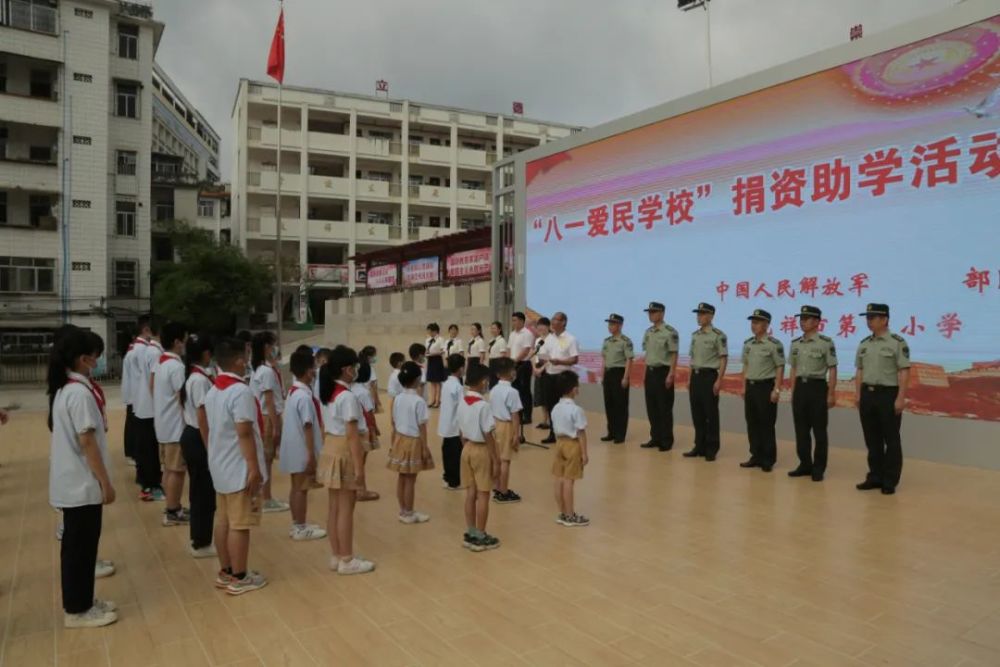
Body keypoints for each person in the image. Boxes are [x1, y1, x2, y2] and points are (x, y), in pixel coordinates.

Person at [48, 328, 118, 628]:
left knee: (82, 548)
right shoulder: (77, 393)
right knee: (79, 551)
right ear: (84, 359)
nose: (98, 363)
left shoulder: (68, 388)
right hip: (81, 484)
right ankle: (76, 610)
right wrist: (105, 481)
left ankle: (84, 600)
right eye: (96, 358)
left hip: (74, 483)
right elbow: (87, 441)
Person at [205, 337, 268, 595]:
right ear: (240, 360)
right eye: (247, 355)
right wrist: (254, 467)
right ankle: (240, 576)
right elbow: (244, 432)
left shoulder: (214, 389)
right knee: (240, 523)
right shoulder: (239, 391)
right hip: (238, 465)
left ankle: (227, 570)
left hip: (220, 464)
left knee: (223, 520)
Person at [317, 346, 375, 575]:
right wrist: (360, 469)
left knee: (334, 507)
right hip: (344, 449)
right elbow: (352, 436)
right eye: (354, 367)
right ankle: (347, 559)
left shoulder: (328, 393)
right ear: (347, 369)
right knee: (345, 509)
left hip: (331, 446)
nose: (356, 371)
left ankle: (337, 554)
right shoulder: (347, 397)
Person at [855, 303, 910, 495]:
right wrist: (858, 395)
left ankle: (890, 480)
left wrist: (901, 397)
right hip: (867, 395)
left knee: (891, 439)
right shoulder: (864, 343)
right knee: (872, 439)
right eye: (867, 317)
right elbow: (859, 370)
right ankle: (875, 476)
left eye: (872, 317)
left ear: (884, 319)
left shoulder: (897, 342)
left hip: (888, 394)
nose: (868, 321)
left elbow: (903, 371)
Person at [280, 349, 328, 541]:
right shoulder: (304, 397)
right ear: (309, 371)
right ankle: (299, 526)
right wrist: (311, 455)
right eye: (314, 368)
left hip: (294, 448)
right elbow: (308, 426)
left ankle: (297, 523)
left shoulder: (295, 392)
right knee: (301, 488)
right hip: (302, 450)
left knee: (296, 487)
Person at [788, 305, 837, 482]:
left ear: (817, 321)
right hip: (800, 388)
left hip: (817, 388)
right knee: (801, 430)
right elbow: (793, 368)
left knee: (819, 431)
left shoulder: (825, 343)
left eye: (807, 319)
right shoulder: (795, 344)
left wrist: (831, 393)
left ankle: (818, 468)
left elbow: (832, 369)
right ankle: (804, 464)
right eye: (801, 318)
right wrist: (793, 392)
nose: (802, 322)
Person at [179, 333, 217, 558]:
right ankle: (201, 542)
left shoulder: (192, 376)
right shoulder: (199, 380)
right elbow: (203, 417)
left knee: (199, 491)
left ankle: (199, 538)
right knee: (203, 493)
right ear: (205, 354)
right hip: (199, 437)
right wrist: (211, 449)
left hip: (191, 435)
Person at [457, 364, 501, 552]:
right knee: (484, 494)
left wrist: (466, 446)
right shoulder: (483, 405)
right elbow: (488, 435)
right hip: (482, 450)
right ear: (483, 381)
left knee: (470, 493)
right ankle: (481, 535)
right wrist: (496, 459)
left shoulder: (462, 401)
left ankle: (471, 531)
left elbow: (460, 430)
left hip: (466, 448)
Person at [739, 310, 785, 473]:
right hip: (750, 387)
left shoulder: (774, 344)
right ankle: (755, 456)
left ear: (766, 325)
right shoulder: (748, 344)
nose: (754, 325)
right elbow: (745, 365)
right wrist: (743, 386)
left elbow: (780, 367)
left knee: (766, 424)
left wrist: (777, 389)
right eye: (752, 322)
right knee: (752, 423)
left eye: (757, 322)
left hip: (766, 388)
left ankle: (768, 459)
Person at [388, 361, 434, 523]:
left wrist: (393, 442)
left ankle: (403, 510)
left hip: (400, 439)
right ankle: (409, 512)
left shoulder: (398, 398)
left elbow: (393, 422)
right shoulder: (419, 401)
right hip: (413, 441)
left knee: (402, 476)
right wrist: (425, 447)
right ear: (417, 379)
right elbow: (422, 427)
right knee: (410, 479)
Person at [154, 322, 190, 526]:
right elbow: (181, 398)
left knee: (169, 469)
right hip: (176, 427)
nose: (185, 344)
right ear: (177, 342)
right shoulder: (176, 367)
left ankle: (171, 505)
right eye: (184, 340)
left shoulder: (161, 363)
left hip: (164, 425)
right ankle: (173, 510)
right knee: (177, 470)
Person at [250, 331, 288, 513]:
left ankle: (264, 496)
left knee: (266, 458)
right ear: (266, 347)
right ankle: (266, 497)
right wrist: (276, 425)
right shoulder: (265, 371)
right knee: (266, 458)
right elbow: (269, 400)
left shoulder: (264, 368)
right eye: (273, 345)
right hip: (267, 417)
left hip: (266, 415)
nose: (276, 348)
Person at [685, 303, 728, 462]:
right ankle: (699, 446)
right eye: (698, 314)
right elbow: (692, 359)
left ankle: (711, 448)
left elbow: (723, 358)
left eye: (702, 314)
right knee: (697, 414)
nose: (699, 317)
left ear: (710, 316)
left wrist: (719, 380)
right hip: (695, 377)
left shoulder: (718, 335)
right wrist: (689, 379)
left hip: (709, 377)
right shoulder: (695, 335)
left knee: (711, 414)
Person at [551, 372, 590, 527]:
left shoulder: (555, 407)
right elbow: (581, 432)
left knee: (559, 478)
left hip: (559, 443)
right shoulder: (576, 410)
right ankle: (570, 514)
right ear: (574, 389)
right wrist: (584, 453)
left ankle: (562, 512)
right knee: (569, 481)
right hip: (572, 445)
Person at [640, 302, 679, 451]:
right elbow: (647, 354)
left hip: (663, 372)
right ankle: (655, 437)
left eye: (654, 312)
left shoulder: (670, 332)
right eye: (649, 312)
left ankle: (666, 441)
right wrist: (645, 374)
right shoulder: (648, 332)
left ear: (662, 313)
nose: (651, 314)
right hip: (650, 373)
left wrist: (671, 373)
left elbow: (674, 354)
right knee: (652, 408)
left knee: (664, 408)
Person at [133, 320, 164, 501]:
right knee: (150, 450)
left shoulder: (148, 350)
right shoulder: (153, 352)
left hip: (145, 406)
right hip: (150, 407)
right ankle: (150, 487)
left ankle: (148, 483)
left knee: (148, 448)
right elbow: (153, 383)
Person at [539, 312, 579, 445]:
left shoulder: (570, 338)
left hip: (563, 377)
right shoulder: (549, 338)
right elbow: (544, 354)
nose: (552, 321)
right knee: (551, 406)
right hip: (549, 375)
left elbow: (574, 359)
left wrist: (560, 362)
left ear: (563, 322)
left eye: (556, 319)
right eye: (552, 319)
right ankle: (553, 433)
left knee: (563, 407)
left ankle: (565, 432)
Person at [489, 357, 523, 503]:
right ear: (511, 372)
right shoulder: (512, 392)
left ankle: (497, 487)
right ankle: (503, 491)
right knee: (505, 460)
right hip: (506, 425)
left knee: (496, 458)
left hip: (494, 424)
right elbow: (515, 415)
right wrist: (516, 434)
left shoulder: (494, 389)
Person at [120, 316, 151, 468]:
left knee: (132, 424)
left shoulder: (134, 348)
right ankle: (134, 453)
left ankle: (131, 452)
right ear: (146, 330)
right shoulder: (142, 350)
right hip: (137, 394)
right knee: (136, 426)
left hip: (134, 393)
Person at [601, 313, 633, 445]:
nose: (610, 326)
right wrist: (603, 375)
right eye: (609, 324)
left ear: (620, 325)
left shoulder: (625, 341)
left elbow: (629, 360)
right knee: (609, 404)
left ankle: (620, 434)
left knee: (620, 405)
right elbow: (604, 359)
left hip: (619, 374)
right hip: (608, 374)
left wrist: (626, 377)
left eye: (613, 324)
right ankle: (611, 432)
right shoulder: (606, 341)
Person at [351, 363, 381, 502]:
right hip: (363, 429)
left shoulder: (350, 388)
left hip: (352, 429)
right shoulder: (363, 392)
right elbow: (369, 413)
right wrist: (373, 428)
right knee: (360, 461)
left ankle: (353, 488)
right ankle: (360, 490)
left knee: (354, 460)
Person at [438, 353, 466, 491]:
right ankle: (454, 481)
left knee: (447, 452)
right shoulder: (457, 387)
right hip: (455, 426)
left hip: (446, 424)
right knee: (455, 455)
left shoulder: (447, 383)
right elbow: (461, 407)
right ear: (461, 368)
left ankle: (447, 477)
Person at [508, 312, 535, 441]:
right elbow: (509, 349)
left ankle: (527, 415)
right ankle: (517, 414)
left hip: (523, 364)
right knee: (515, 390)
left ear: (522, 321)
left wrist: (515, 362)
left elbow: (525, 351)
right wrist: (509, 362)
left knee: (524, 391)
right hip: (513, 364)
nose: (513, 322)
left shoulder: (527, 333)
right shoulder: (512, 334)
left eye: (515, 320)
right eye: (512, 320)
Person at [531, 317, 552, 431]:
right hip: (538, 368)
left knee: (548, 396)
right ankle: (545, 420)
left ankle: (551, 420)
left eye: (542, 326)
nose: (540, 328)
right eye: (538, 326)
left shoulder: (552, 340)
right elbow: (534, 354)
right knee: (541, 396)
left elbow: (551, 357)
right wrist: (534, 367)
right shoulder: (538, 340)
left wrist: (542, 369)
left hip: (548, 369)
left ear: (548, 327)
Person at [425, 323, 446, 408]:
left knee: (437, 382)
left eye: (430, 331)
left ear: (435, 331)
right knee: (432, 382)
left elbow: (442, 351)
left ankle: (438, 401)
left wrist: (433, 353)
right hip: (430, 360)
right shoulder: (428, 339)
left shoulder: (440, 339)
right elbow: (426, 350)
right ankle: (432, 400)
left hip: (437, 360)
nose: (429, 332)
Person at [359, 345, 382, 413]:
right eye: (375, 355)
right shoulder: (370, 368)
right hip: (367, 398)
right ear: (369, 357)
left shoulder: (359, 366)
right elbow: (373, 387)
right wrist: (376, 402)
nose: (375, 357)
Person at [486, 321, 508, 388]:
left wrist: (500, 369)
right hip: (491, 363)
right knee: (491, 384)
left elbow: (503, 356)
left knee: (496, 384)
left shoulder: (502, 341)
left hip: (498, 364)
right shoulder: (492, 340)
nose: (492, 330)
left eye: (494, 328)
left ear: (499, 329)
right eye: (492, 328)